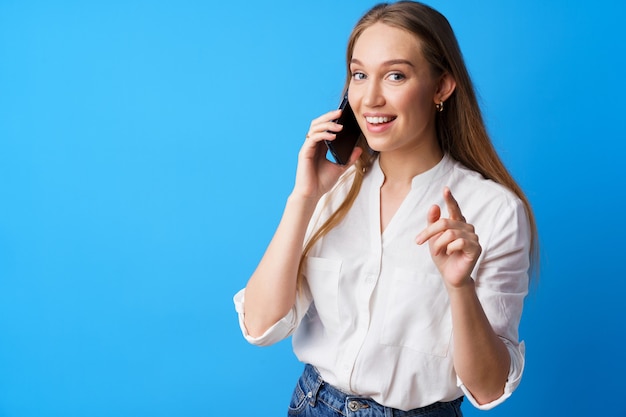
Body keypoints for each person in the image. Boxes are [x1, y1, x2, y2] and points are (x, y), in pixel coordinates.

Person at [233, 1, 538, 416]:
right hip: (312, 404)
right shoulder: (332, 190)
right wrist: (303, 199)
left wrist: (459, 286)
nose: (370, 98)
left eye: (395, 75)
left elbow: (487, 390)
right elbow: (260, 327)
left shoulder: (495, 210)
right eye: (359, 75)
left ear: (441, 86)